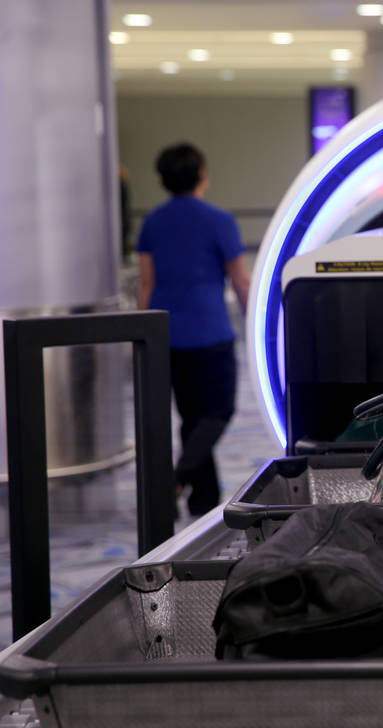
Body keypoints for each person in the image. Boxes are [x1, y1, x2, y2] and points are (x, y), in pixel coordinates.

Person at [136, 142, 251, 517]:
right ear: (201, 174)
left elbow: (146, 285)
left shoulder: (152, 222)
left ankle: (202, 500)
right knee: (219, 412)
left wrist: (140, 333)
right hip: (210, 332)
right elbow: (240, 281)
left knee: (191, 419)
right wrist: (258, 322)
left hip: (164, 333)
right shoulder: (219, 220)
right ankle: (176, 479)